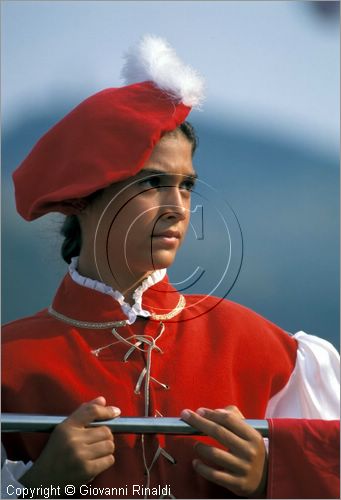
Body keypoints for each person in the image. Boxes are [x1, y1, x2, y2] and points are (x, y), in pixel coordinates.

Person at [2, 35, 339, 499]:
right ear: (84, 195)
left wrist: (271, 475)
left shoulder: (264, 350)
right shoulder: (10, 362)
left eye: (186, 186)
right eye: (154, 182)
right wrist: (38, 487)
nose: (179, 207)